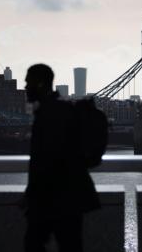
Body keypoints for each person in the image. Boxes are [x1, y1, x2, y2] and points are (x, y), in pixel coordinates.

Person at [23, 64, 100, 252]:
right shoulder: (57, 109)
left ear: (40, 84)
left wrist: (33, 196)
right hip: (66, 198)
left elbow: (49, 160)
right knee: (69, 245)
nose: (25, 87)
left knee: (36, 244)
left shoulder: (52, 114)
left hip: (57, 200)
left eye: (28, 82)